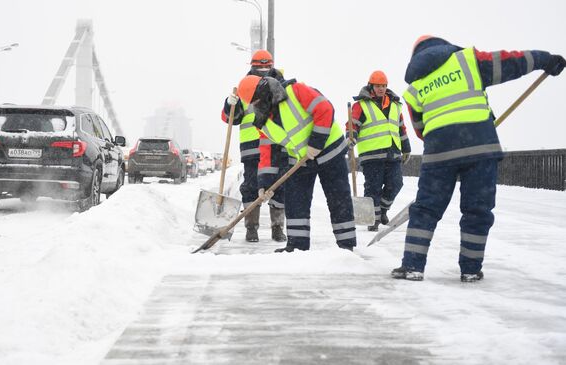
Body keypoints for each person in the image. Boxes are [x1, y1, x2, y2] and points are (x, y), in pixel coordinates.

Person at [392, 35, 566, 282]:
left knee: (426, 210)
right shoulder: (468, 61)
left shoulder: (414, 89)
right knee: (477, 211)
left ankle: (412, 266)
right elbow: (511, 62)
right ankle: (471, 270)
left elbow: (420, 130)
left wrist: (447, 135)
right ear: (444, 46)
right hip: (480, 147)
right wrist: (545, 60)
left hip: (439, 153)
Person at [236, 75, 356, 253]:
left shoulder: (295, 91)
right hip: (302, 160)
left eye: (259, 100)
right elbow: (267, 153)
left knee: (338, 199)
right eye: (254, 103)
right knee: (294, 200)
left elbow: (325, 109)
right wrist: (264, 184)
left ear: (265, 91)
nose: (258, 105)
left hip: (330, 151)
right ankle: (297, 246)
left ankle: (346, 246)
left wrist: (316, 143)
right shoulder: (262, 121)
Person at [221, 49, 287, 242]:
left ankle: (277, 228)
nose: (264, 71)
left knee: (278, 186)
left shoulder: (282, 86)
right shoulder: (244, 87)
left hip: (276, 144)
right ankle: (251, 228)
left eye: (267, 67)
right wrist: (229, 104)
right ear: (252, 67)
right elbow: (230, 118)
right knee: (251, 187)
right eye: (260, 68)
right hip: (252, 146)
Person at [349, 70, 411, 232]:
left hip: (393, 153)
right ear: (371, 86)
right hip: (372, 155)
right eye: (378, 86)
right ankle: (373, 220)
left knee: (396, 184)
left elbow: (401, 129)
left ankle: (382, 211)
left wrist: (406, 148)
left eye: (383, 86)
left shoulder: (395, 106)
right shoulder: (360, 106)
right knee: (373, 188)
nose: (381, 89)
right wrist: (351, 137)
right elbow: (352, 124)